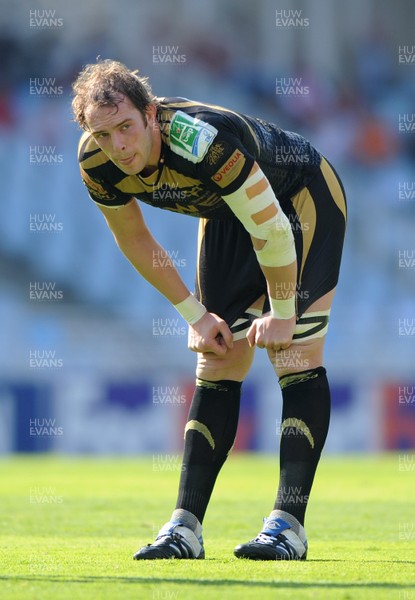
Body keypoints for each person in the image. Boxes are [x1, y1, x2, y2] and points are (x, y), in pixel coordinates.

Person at [72, 59, 347, 561]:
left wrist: (283, 311)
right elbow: (133, 239)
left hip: (298, 198)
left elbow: (271, 226)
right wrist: (194, 315)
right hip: (228, 211)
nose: (119, 147)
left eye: (127, 128)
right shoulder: (96, 160)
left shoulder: (202, 143)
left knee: (294, 355)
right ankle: (185, 529)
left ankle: (288, 527)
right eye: (104, 134)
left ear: (152, 115)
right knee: (218, 358)